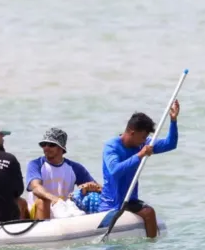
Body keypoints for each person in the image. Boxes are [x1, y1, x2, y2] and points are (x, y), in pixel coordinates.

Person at [98, 100, 181, 238]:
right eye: (143, 137)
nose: (145, 140)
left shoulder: (142, 144)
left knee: (149, 212)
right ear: (131, 132)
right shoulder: (111, 147)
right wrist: (140, 155)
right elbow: (115, 171)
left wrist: (173, 121)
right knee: (149, 213)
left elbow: (170, 144)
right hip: (112, 203)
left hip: (130, 200)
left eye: (146, 137)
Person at [25, 127, 101, 219]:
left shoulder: (75, 168)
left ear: (61, 148)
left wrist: (90, 187)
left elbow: (99, 188)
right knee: (43, 201)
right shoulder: (35, 164)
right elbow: (36, 188)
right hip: (39, 211)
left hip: (63, 211)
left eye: (51, 145)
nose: (46, 148)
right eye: (44, 144)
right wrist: (55, 199)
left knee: (92, 197)